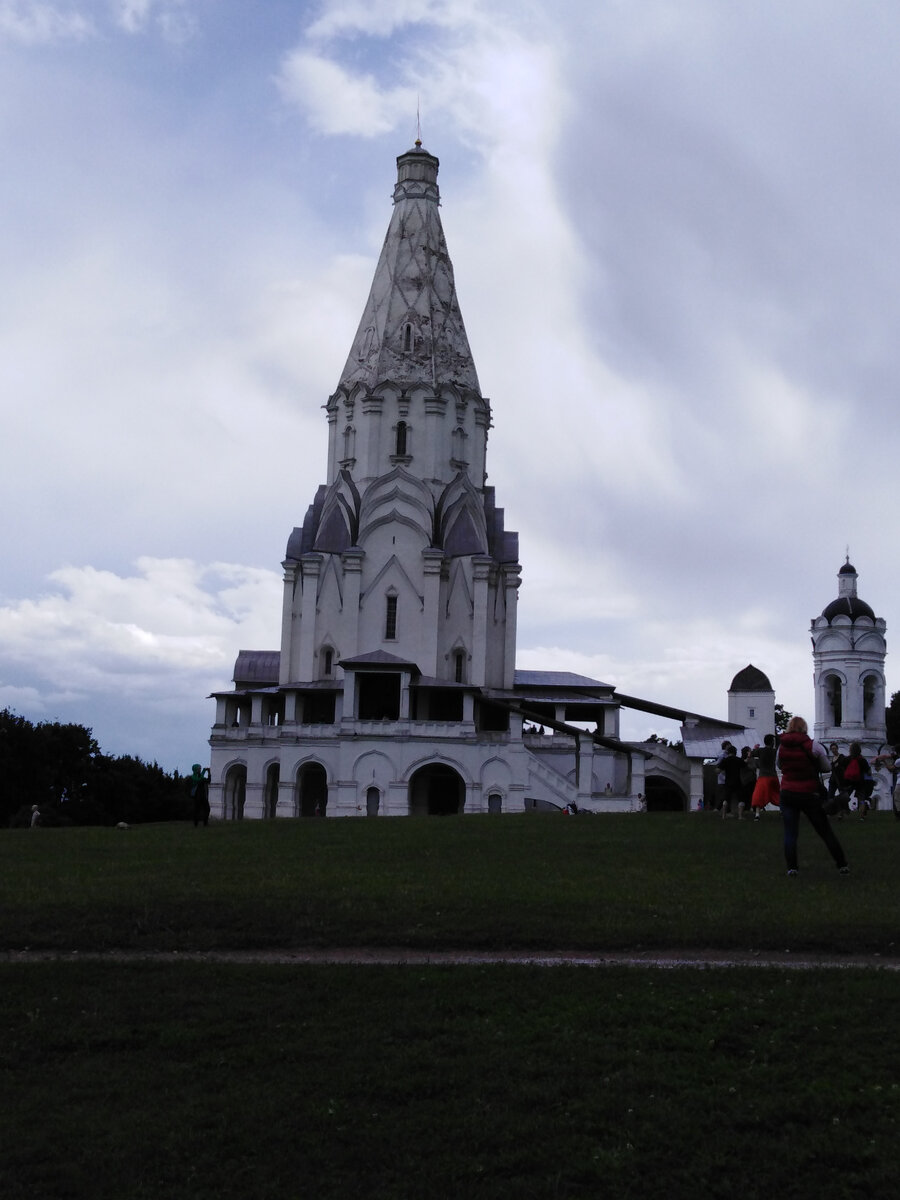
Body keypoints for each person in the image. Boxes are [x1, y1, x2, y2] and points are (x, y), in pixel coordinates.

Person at [776, 716, 848, 876]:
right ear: (804, 728)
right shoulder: (813, 746)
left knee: (790, 833)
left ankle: (792, 868)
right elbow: (826, 767)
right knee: (825, 831)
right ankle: (842, 864)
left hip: (788, 793)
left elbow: (780, 765)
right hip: (809, 793)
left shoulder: (782, 746)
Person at [750, 735, 780, 818]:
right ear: (772, 742)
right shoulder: (775, 751)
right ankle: (782, 810)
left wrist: (755, 749)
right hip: (773, 776)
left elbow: (750, 754)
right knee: (777, 794)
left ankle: (757, 814)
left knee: (759, 795)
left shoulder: (760, 751)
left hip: (763, 776)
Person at [842, 742, 874, 818]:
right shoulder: (862, 760)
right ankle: (862, 816)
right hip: (860, 781)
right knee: (861, 799)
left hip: (849, 781)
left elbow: (843, 768)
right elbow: (868, 772)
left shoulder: (847, 759)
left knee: (844, 797)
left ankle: (841, 814)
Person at [718, 744, 743, 819]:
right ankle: (740, 816)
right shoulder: (738, 760)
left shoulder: (725, 760)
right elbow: (744, 765)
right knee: (741, 799)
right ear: (735, 752)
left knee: (726, 799)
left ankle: (723, 816)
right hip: (737, 781)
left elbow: (718, 770)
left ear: (728, 752)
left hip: (728, 782)